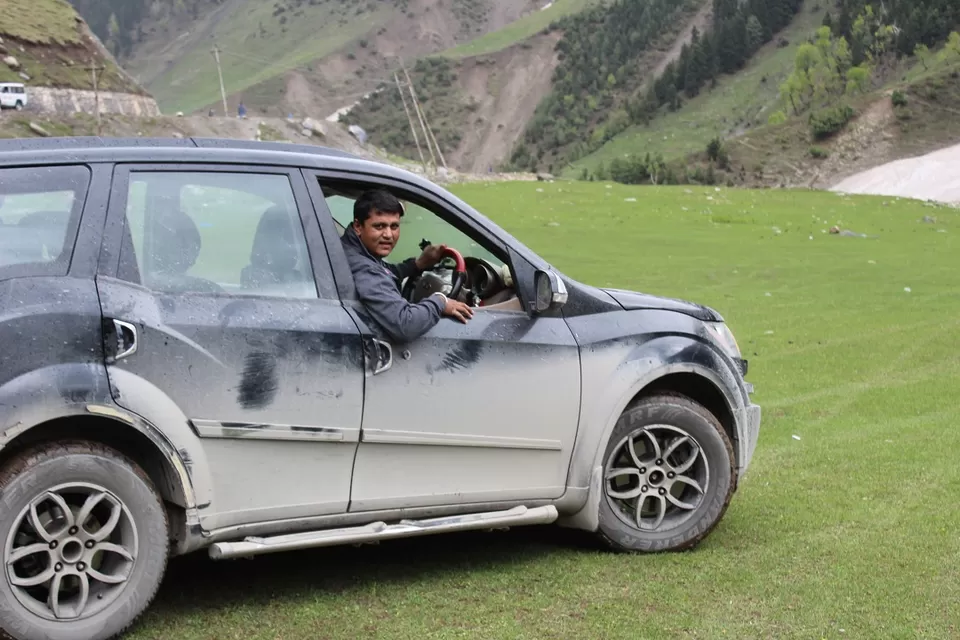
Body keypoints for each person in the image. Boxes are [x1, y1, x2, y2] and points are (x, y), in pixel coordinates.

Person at [341, 189, 474, 342]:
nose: (389, 235)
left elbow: (383, 272)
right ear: (358, 226)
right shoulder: (363, 268)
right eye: (379, 226)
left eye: (394, 226)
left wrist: (418, 264)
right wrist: (440, 301)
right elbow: (405, 324)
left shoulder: (352, 250)